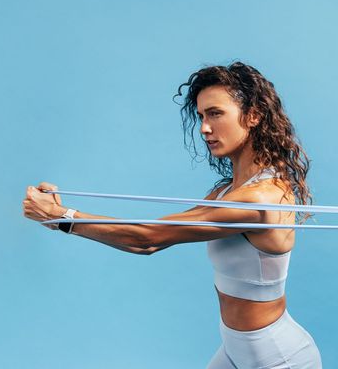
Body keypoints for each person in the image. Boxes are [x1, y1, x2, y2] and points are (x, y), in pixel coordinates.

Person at [23, 61, 322, 368]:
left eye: (216, 113)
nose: (205, 128)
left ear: (255, 115)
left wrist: (62, 217)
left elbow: (146, 236)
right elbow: (150, 244)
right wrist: (61, 218)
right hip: (236, 351)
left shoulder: (260, 198)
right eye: (202, 115)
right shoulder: (224, 193)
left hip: (278, 357)